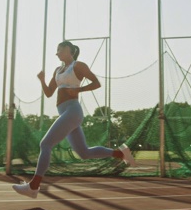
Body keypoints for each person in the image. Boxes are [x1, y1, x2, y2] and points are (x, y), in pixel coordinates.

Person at [12, 41, 135, 199]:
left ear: (70, 50)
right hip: (65, 113)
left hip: (72, 111)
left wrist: (78, 89)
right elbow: (49, 93)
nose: (57, 53)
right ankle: (120, 154)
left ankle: (34, 186)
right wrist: (42, 80)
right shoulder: (57, 70)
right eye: (56, 50)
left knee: (45, 144)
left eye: (60, 49)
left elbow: (97, 83)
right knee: (84, 153)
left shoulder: (78, 66)